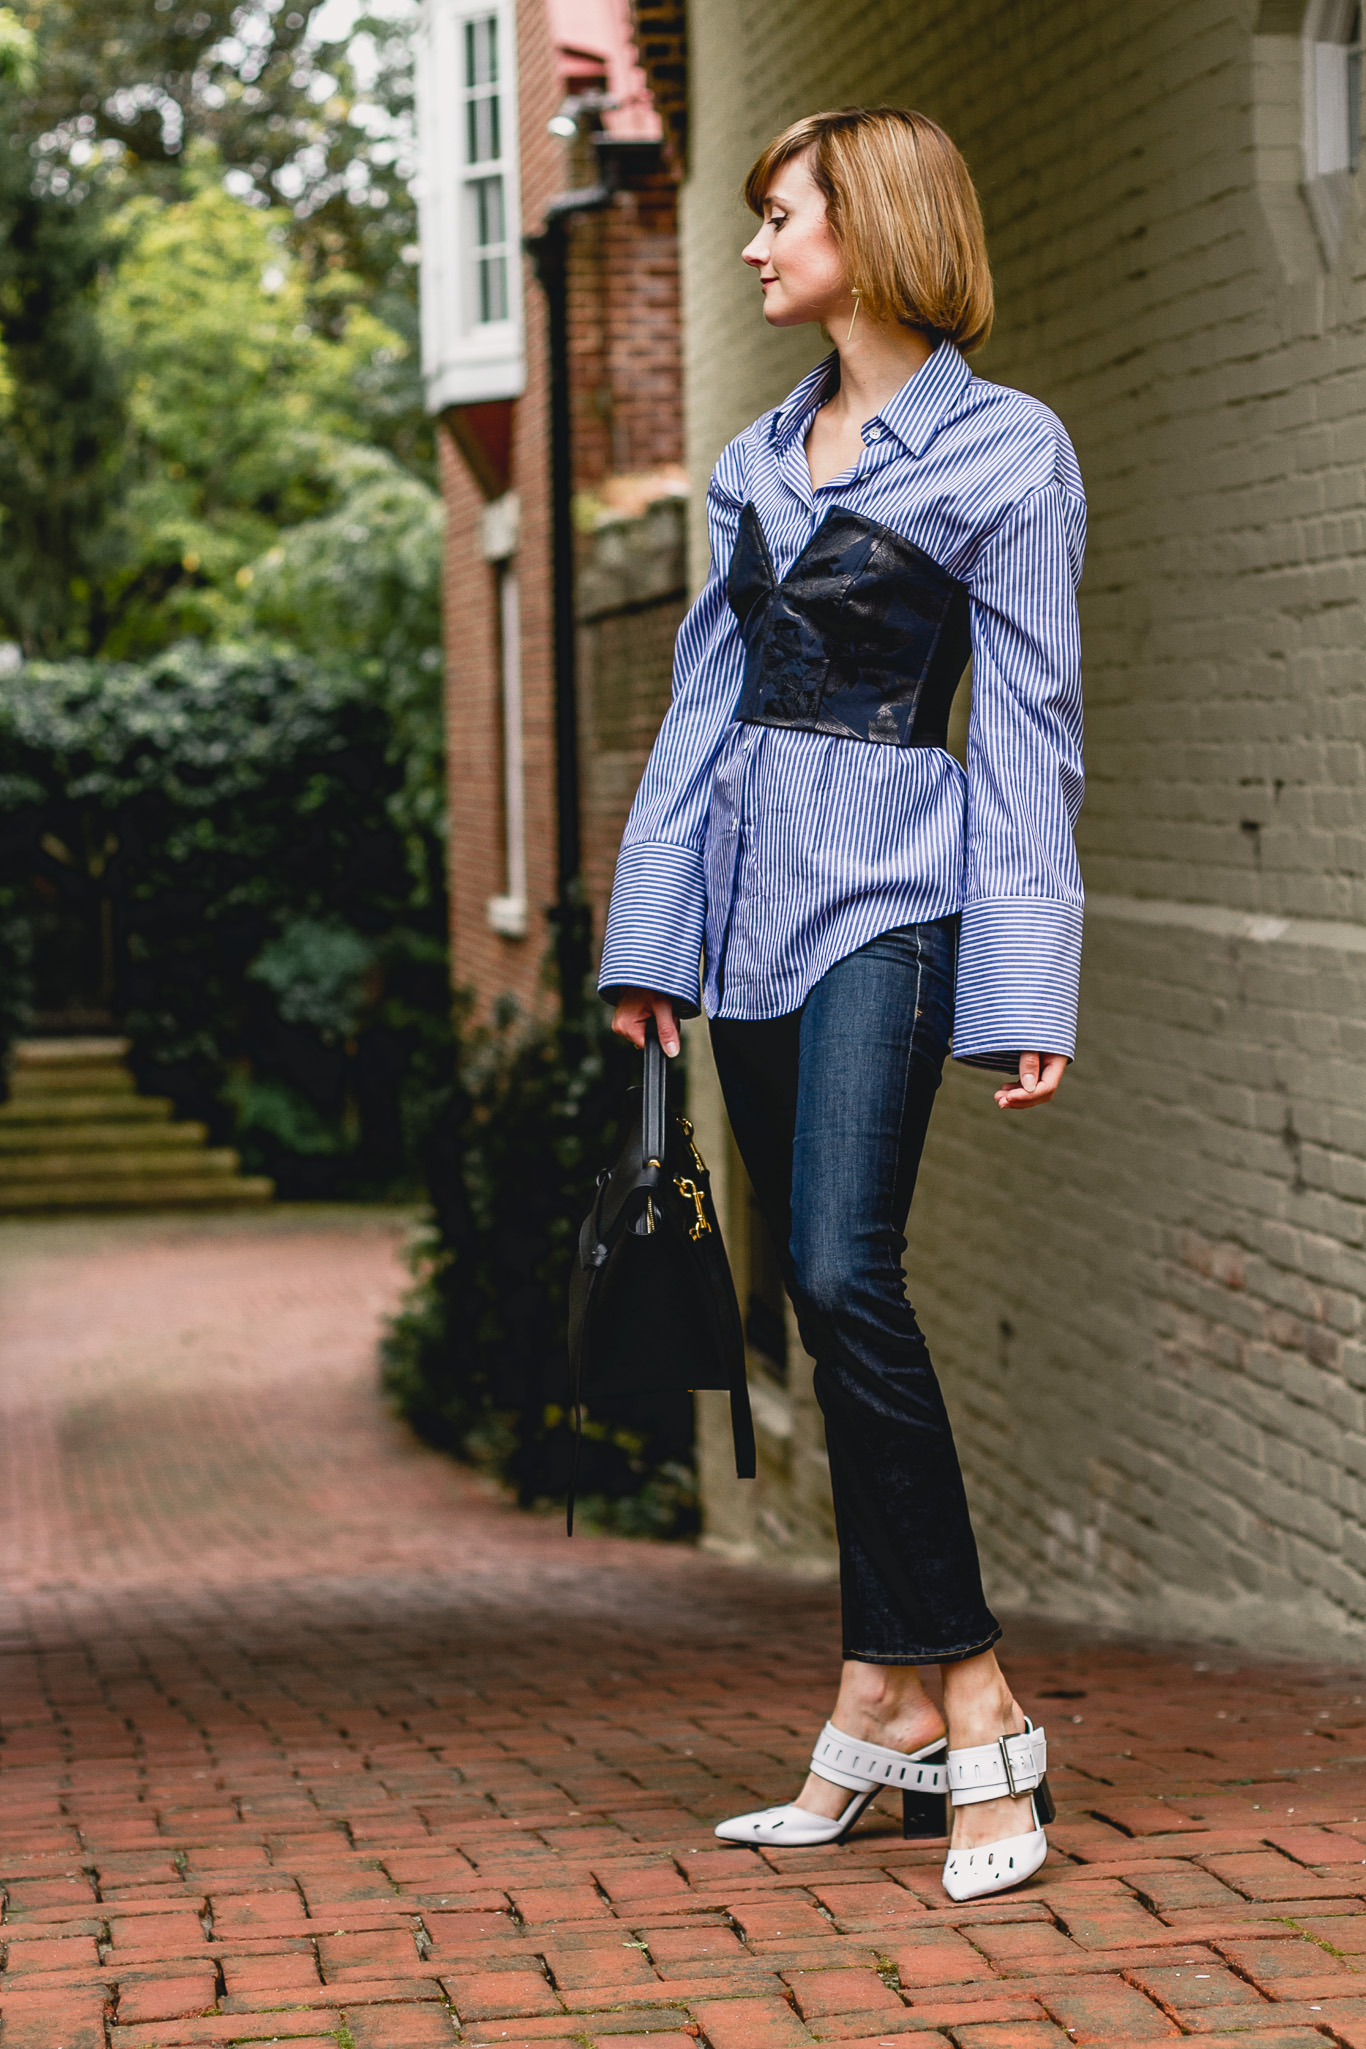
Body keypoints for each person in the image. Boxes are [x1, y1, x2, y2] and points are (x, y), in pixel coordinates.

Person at [597, 106, 1084, 1903]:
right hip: (743, 918)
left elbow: (1029, 734)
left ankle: (978, 1704)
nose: (750, 246)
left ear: (867, 231)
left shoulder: (1008, 453)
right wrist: (650, 947)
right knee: (811, 1292)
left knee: (836, 1270)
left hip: (897, 893)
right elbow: (695, 714)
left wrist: (1026, 974)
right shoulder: (750, 460)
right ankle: (876, 1693)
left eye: (777, 216)